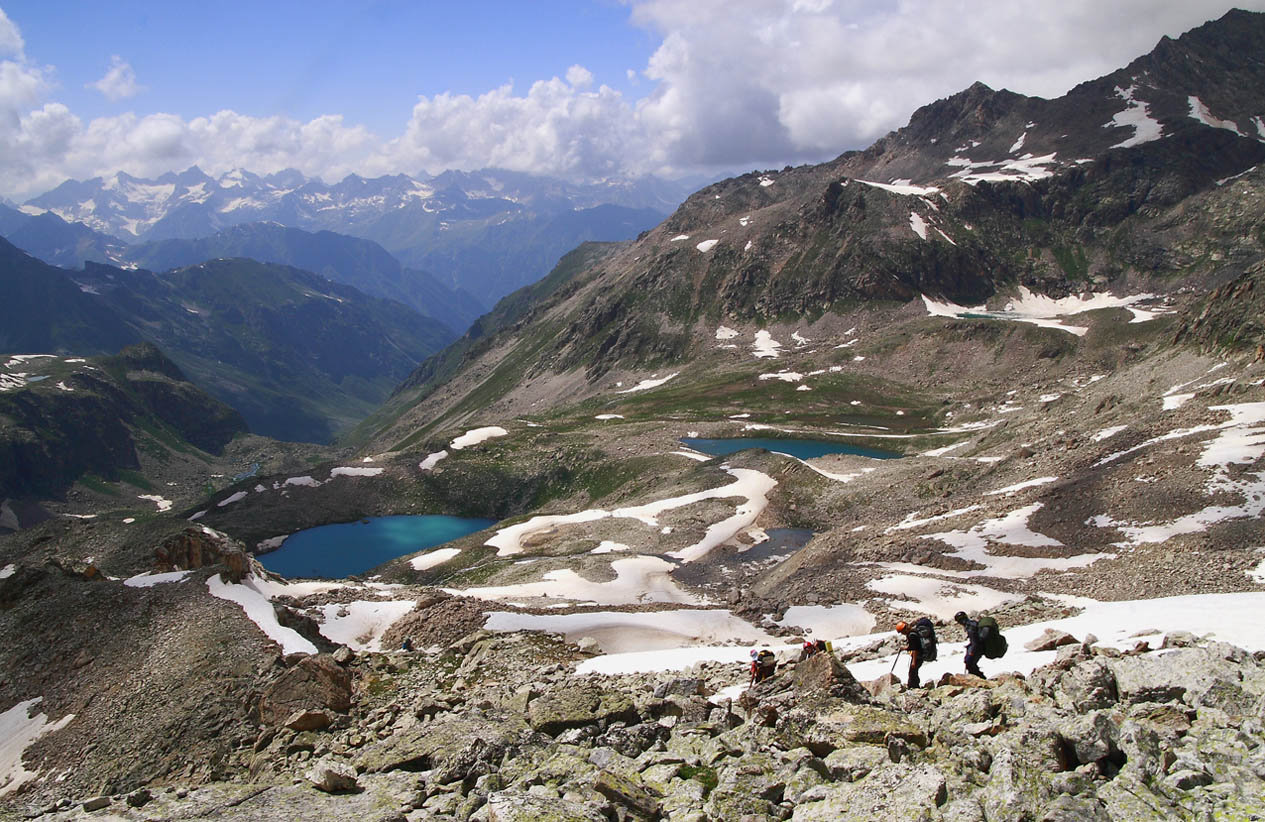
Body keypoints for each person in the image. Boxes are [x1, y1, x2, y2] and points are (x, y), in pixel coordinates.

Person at [895, 618, 936, 688]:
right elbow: (913, 646)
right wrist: (904, 648)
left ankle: (913, 686)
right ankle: (913, 685)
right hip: (920, 654)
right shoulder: (913, 632)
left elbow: (914, 649)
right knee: (913, 671)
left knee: (912, 671)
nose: (902, 633)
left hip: (918, 656)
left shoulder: (912, 635)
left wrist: (913, 661)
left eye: (902, 631)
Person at [955, 611, 986, 678]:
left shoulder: (970, 627)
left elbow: (975, 642)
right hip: (981, 646)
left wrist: (971, 652)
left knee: (969, 663)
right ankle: (979, 677)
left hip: (978, 647)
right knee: (971, 663)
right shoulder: (973, 623)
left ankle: (980, 678)